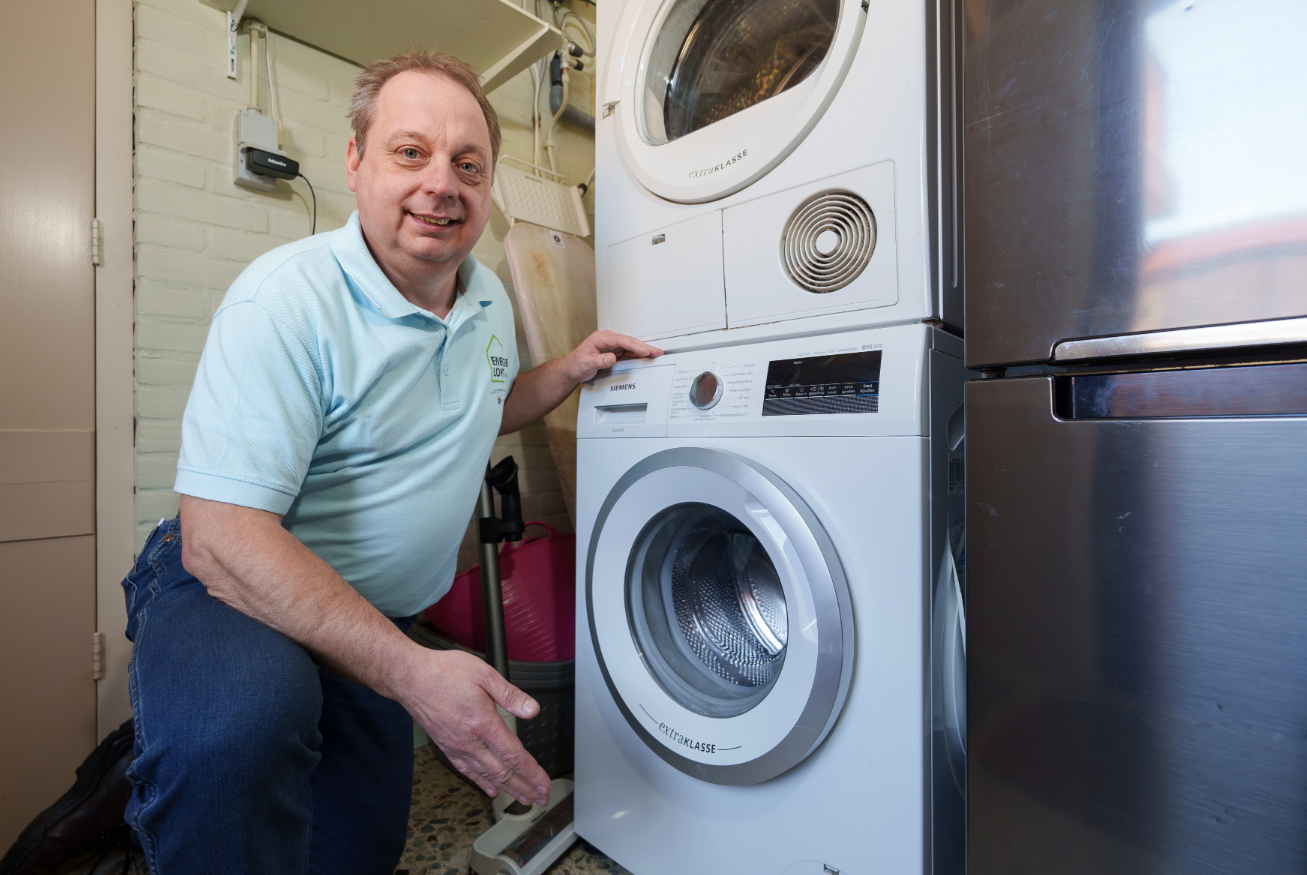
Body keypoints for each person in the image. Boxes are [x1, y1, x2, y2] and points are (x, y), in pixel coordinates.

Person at [119, 50, 660, 875]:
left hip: (373, 619)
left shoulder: (481, 297)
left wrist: (570, 367)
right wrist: (412, 672)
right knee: (243, 728)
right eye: (411, 152)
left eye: (467, 164)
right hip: (230, 587)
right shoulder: (286, 302)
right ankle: (165, 785)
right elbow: (221, 537)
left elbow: (485, 405)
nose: (441, 183)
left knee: (355, 850)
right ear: (355, 162)